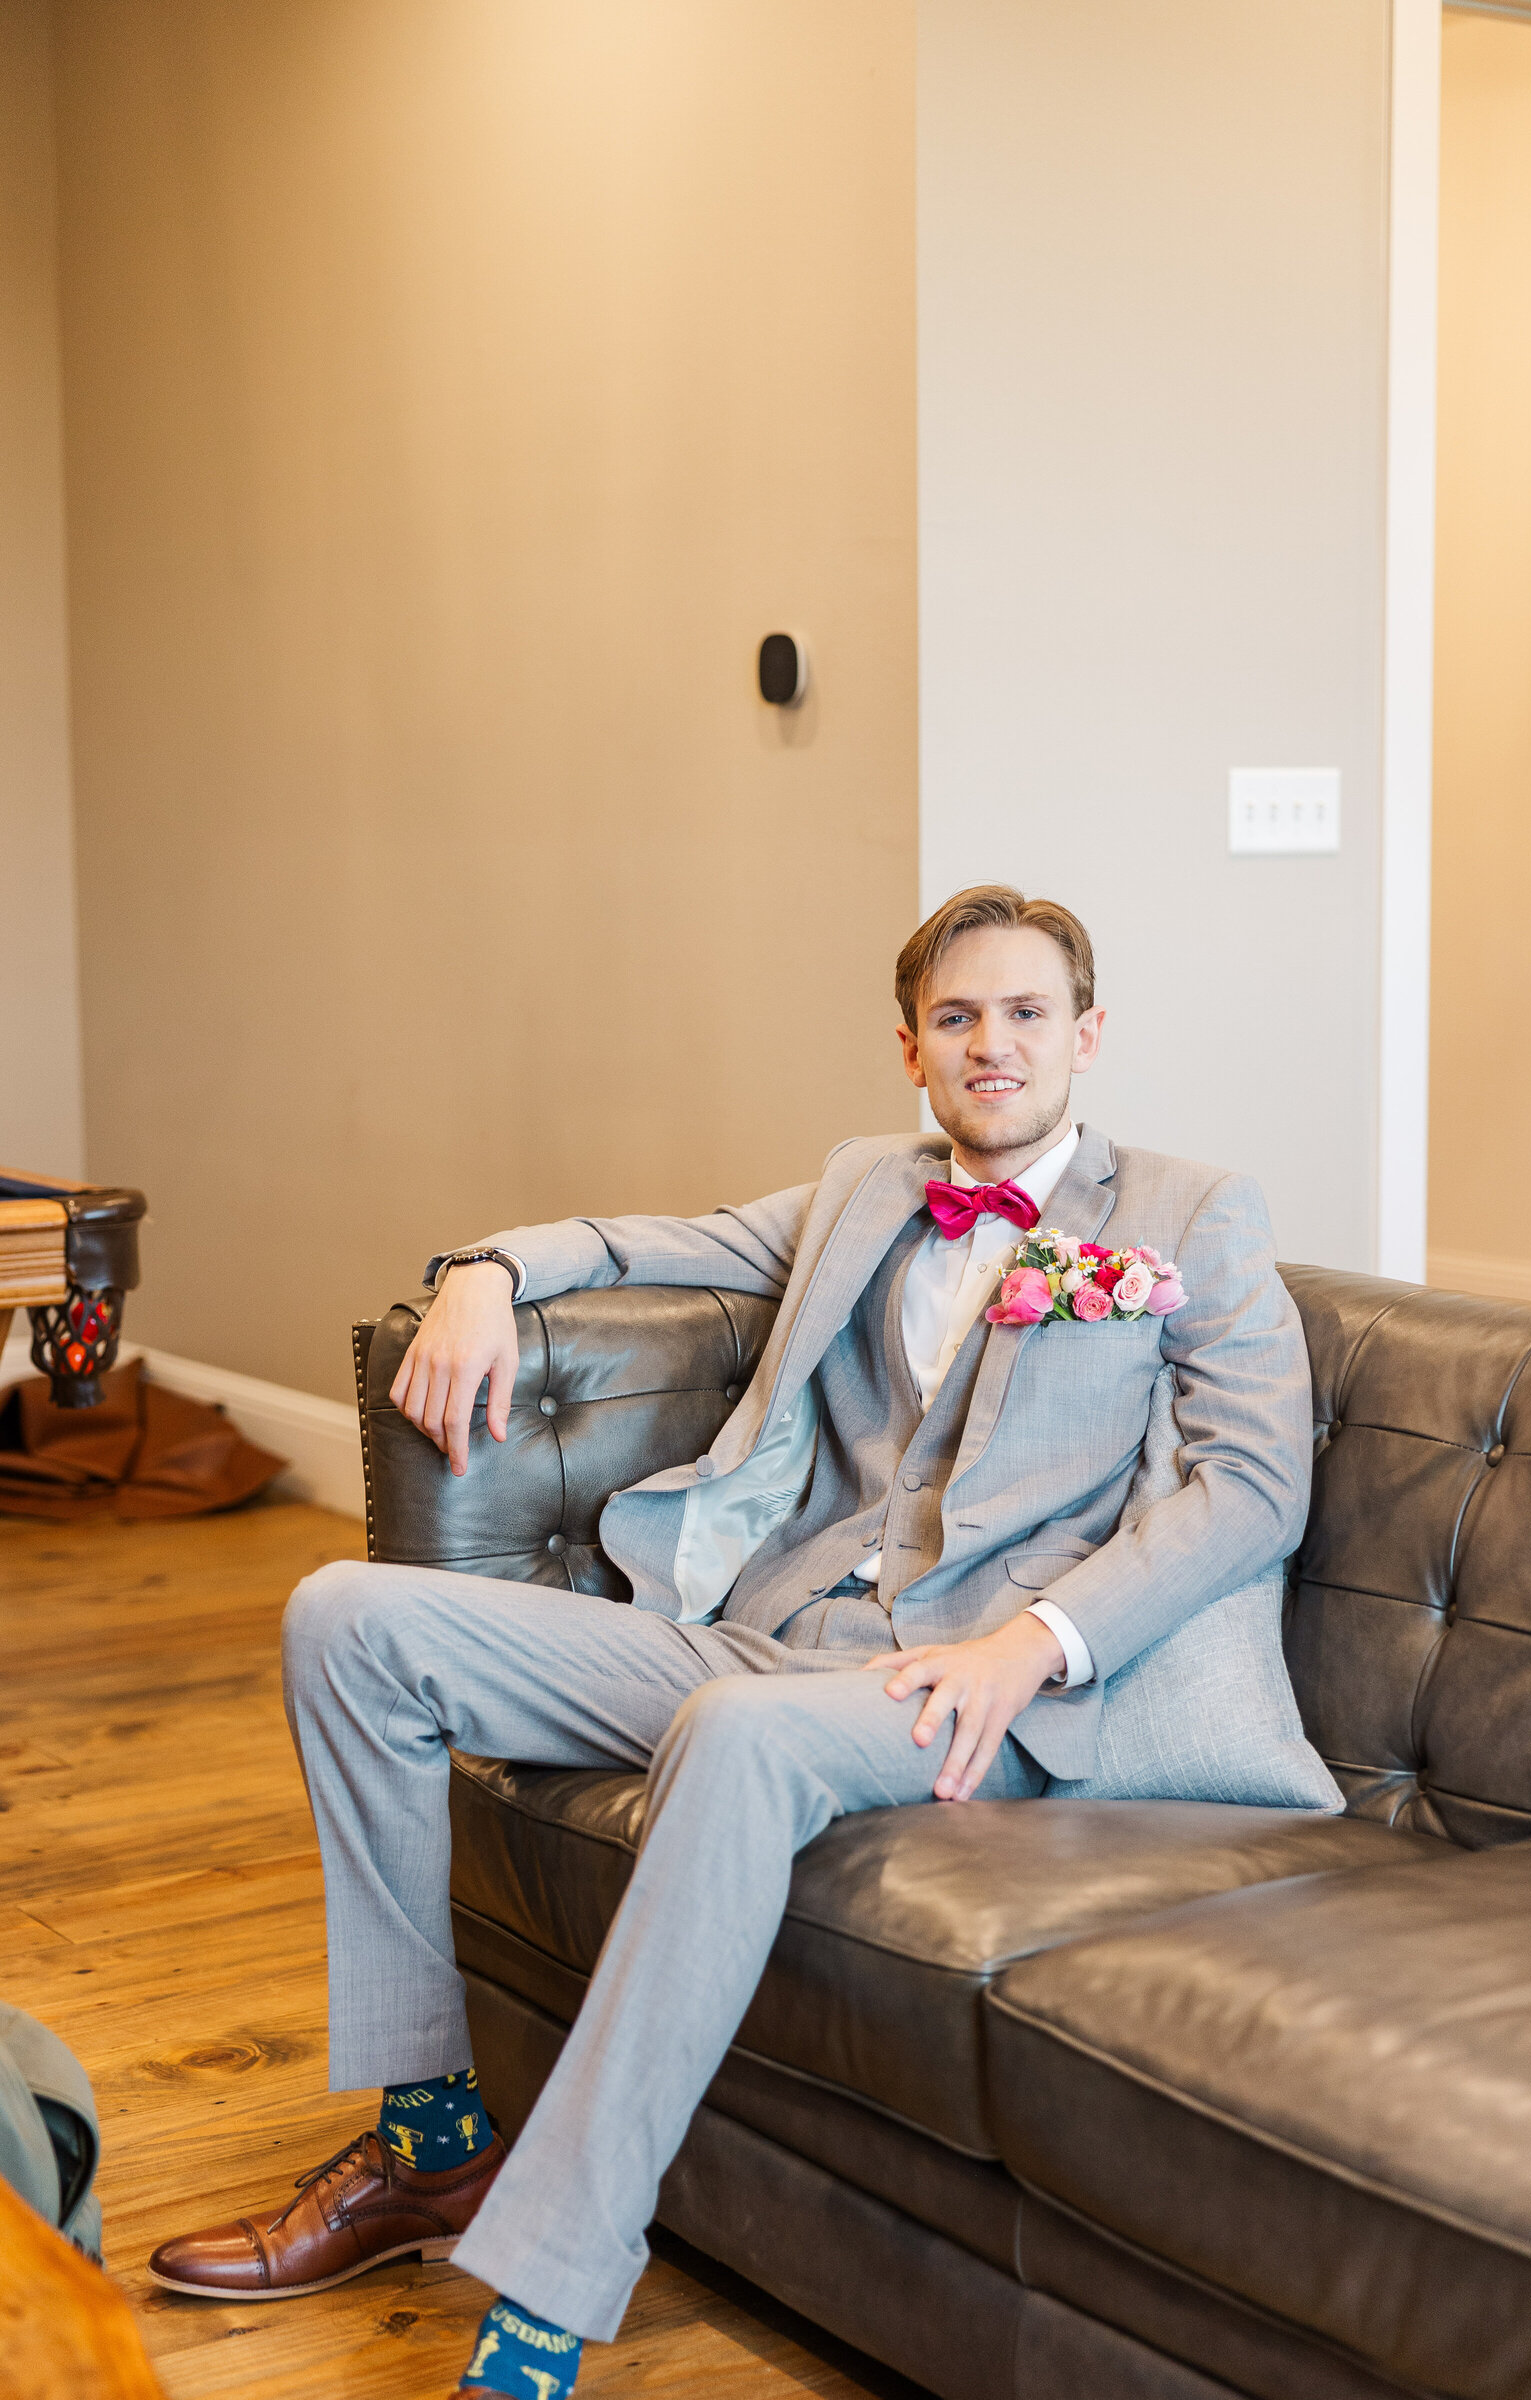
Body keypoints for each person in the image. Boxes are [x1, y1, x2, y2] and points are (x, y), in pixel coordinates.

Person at [148, 884, 1311, 2398]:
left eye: (1028, 1013)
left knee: (738, 1739)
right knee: (347, 1621)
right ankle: (435, 2143)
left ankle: (543, 2310)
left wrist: (1037, 1644)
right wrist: (481, 1275)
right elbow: (651, 1239)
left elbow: (1254, 1489)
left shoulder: (1192, 1218)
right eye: (957, 1017)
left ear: (1089, 1034)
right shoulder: (863, 1189)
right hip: (778, 1640)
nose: (993, 1045)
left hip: (983, 1690)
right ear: (911, 1046)